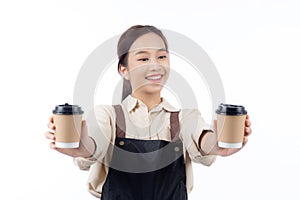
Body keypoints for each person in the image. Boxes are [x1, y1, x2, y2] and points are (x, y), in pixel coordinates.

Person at [45, 25, 252, 199]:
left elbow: (202, 140)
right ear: (123, 70)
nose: (155, 65)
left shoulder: (184, 118)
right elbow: (93, 145)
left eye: (161, 56)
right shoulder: (107, 116)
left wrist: (218, 143)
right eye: (143, 59)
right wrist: (82, 147)